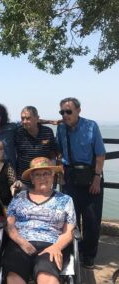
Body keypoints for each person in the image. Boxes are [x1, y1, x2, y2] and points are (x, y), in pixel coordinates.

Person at [3, 157, 76, 284]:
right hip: (20, 244)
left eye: (46, 173)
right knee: (15, 277)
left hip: (51, 245)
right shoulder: (19, 198)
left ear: (53, 175)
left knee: (47, 277)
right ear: (32, 178)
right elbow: (9, 225)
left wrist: (57, 247)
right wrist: (21, 242)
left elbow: (69, 231)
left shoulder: (65, 200)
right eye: (37, 174)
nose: (42, 177)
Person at [55, 97, 105, 269]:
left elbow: (100, 154)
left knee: (91, 218)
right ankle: (70, 252)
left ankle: (88, 255)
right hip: (70, 175)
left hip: (91, 174)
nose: (65, 115)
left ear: (78, 110)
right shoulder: (61, 128)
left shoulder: (91, 126)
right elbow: (59, 150)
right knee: (70, 216)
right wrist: (60, 169)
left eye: (68, 111)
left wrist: (97, 177)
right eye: (62, 112)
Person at [15, 106, 57, 186]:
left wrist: (53, 171)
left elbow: (52, 152)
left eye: (28, 118)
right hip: (24, 180)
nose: (24, 121)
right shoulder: (18, 132)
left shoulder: (47, 131)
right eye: (22, 118)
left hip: (44, 179)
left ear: (37, 118)